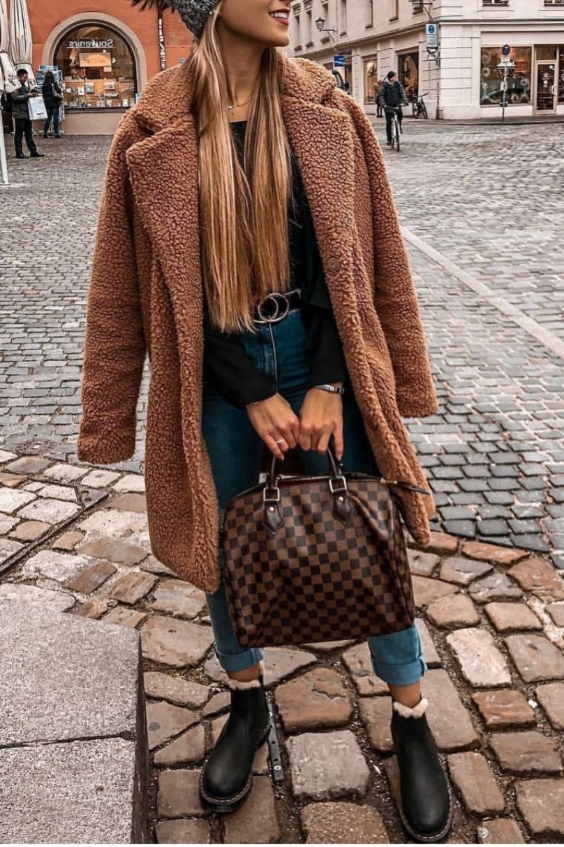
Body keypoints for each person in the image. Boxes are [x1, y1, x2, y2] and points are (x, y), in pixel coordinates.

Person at [77, 0, 453, 842]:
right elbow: (126, 288)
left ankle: (410, 713)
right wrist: (244, 386)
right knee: (219, 540)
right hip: (214, 370)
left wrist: (330, 380)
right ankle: (246, 701)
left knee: (372, 527)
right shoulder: (150, 129)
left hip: (324, 352)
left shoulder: (329, 108)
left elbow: (365, 257)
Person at [10, 68, 44, 159]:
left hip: (26, 113)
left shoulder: (25, 86)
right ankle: (19, 152)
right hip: (19, 113)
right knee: (19, 134)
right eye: (24, 77)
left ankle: (33, 151)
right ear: (19, 76)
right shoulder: (14, 86)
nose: (25, 79)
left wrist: (33, 93)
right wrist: (27, 96)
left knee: (28, 133)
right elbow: (15, 98)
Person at [379, 70, 407, 146]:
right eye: (394, 76)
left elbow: (402, 93)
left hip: (397, 104)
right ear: (391, 78)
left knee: (400, 114)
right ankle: (389, 139)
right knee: (389, 122)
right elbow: (381, 95)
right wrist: (383, 103)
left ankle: (399, 126)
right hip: (388, 105)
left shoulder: (398, 84)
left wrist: (405, 101)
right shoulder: (385, 85)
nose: (396, 77)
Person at [42, 70, 62, 139]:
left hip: (47, 104)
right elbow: (59, 91)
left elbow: (43, 94)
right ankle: (56, 133)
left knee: (47, 119)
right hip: (54, 103)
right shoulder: (54, 84)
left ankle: (45, 132)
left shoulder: (44, 85)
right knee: (55, 119)